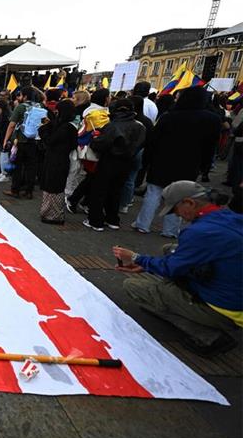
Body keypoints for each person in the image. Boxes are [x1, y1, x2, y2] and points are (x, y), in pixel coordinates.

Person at [113, 181, 242, 356]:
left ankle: (209, 336)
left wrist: (136, 258)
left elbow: (171, 268)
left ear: (189, 203)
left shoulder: (200, 232)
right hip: (233, 290)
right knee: (169, 249)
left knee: (134, 287)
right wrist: (146, 265)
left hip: (228, 309)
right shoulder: (230, 217)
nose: (178, 216)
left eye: (175, 210)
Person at [132, 86, 221, 237]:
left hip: (162, 161)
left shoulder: (169, 116)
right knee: (181, 197)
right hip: (189, 164)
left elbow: (153, 141)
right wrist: (205, 166)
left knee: (153, 193)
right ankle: (170, 230)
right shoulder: (212, 119)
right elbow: (211, 146)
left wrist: (147, 160)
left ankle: (143, 224)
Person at [83, 98, 145, 231]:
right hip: (127, 161)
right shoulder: (139, 126)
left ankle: (95, 220)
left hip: (109, 160)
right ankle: (112, 219)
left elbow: (100, 144)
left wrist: (95, 139)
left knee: (99, 190)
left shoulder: (112, 126)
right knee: (116, 191)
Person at [38, 100, 78, 223]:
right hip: (56, 158)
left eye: (58, 111)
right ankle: (47, 212)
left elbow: (50, 140)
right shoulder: (63, 125)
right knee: (50, 185)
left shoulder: (67, 127)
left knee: (54, 186)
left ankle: (54, 215)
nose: (56, 113)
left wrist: (44, 130)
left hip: (58, 160)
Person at [3, 87, 39, 199]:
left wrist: (6, 140)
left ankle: (15, 190)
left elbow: (12, 125)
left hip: (20, 141)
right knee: (31, 167)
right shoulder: (40, 107)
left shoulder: (21, 107)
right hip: (34, 141)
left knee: (17, 166)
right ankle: (29, 191)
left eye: (21, 95)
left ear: (25, 96)